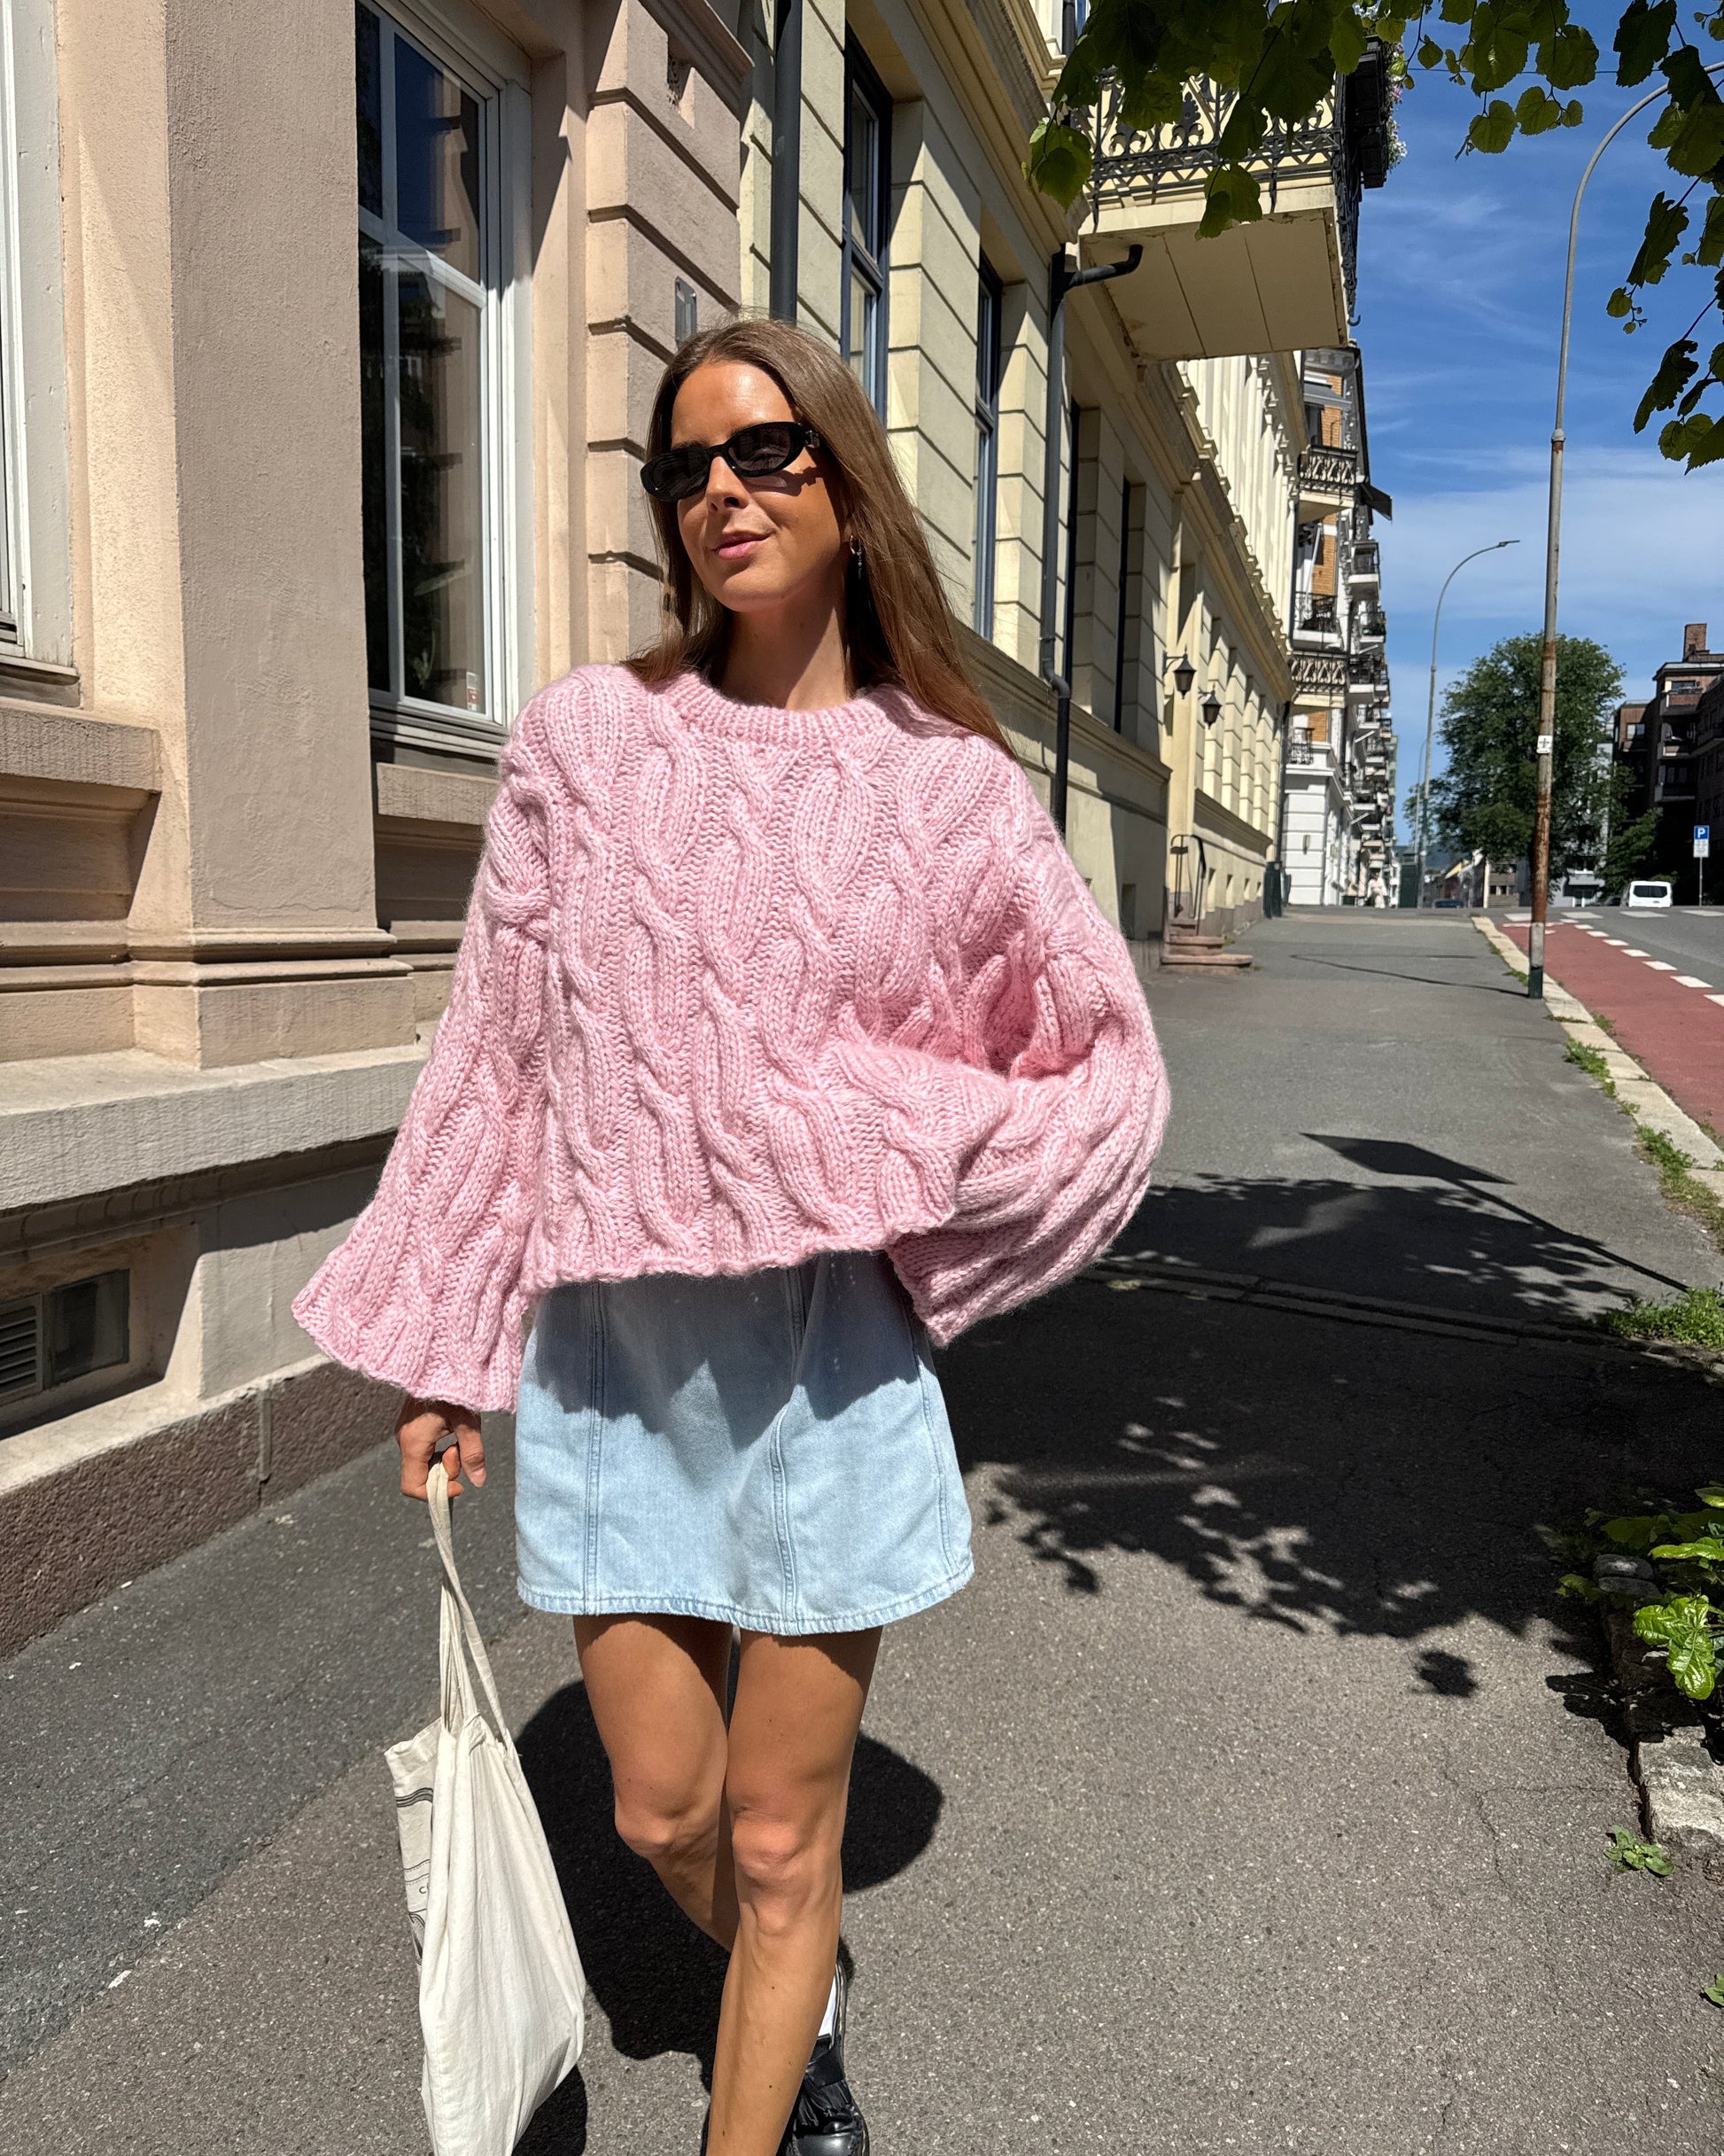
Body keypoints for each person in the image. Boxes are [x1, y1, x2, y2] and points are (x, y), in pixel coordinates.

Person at [294, 317, 1169, 2155]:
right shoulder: (587, 744)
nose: (720, 493)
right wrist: (447, 1349)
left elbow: (1104, 1071)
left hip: (826, 1365)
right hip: (613, 1361)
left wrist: (905, 1147)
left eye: (765, 452)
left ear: (845, 486)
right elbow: (499, 1057)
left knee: (779, 1835)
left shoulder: (948, 787)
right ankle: (807, 1967)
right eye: (684, 466)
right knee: (658, 1812)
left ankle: (772, 2078)